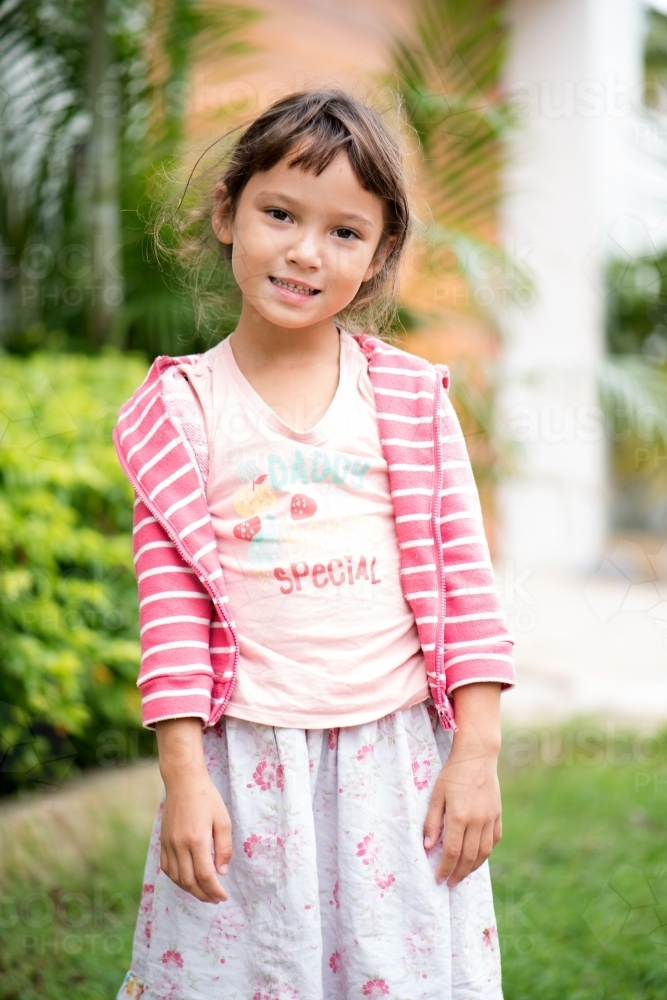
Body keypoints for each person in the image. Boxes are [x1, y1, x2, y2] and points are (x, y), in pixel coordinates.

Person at [113, 89, 516, 1000]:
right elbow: (170, 616)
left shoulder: (409, 402)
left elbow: (466, 582)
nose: (303, 251)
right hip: (246, 766)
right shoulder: (181, 409)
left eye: (344, 232)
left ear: (377, 257)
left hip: (395, 762)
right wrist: (183, 776)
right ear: (228, 211)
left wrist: (476, 755)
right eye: (280, 213)